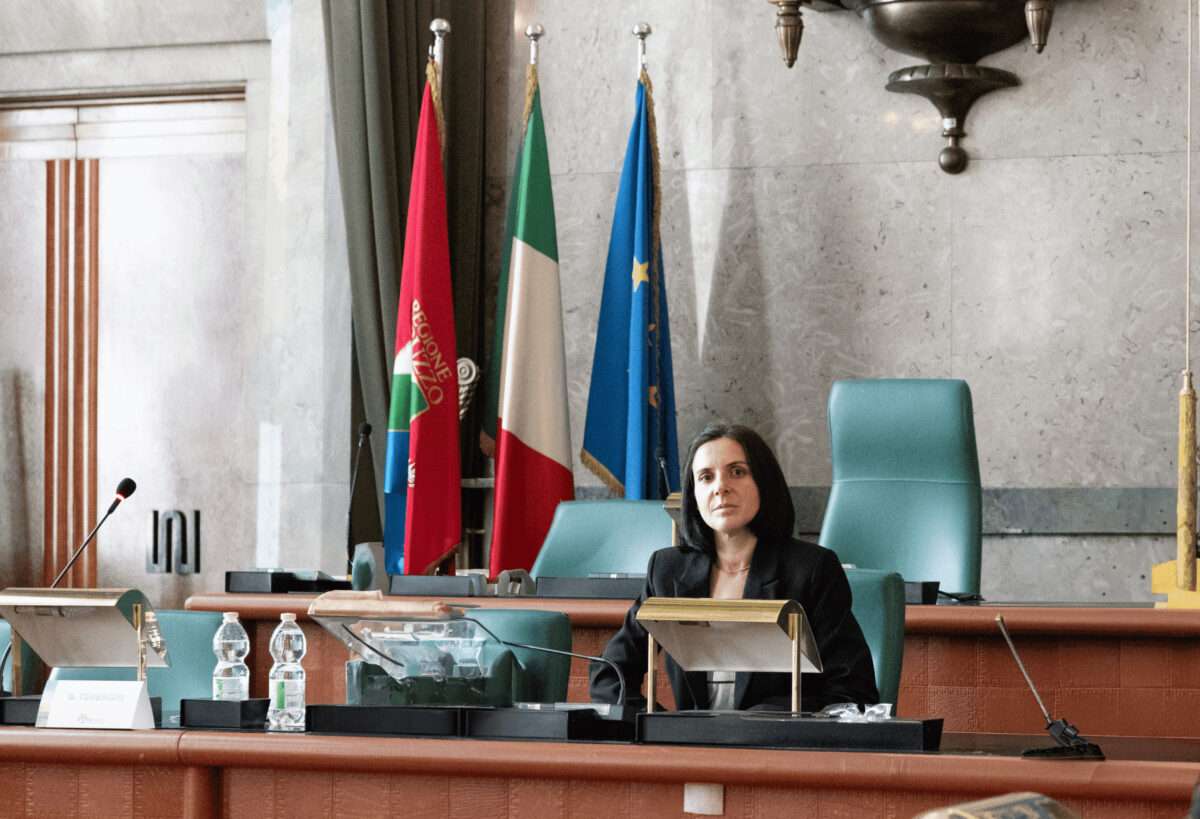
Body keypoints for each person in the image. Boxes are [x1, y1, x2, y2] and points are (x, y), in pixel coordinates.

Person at [589, 422, 879, 711]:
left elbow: (853, 691)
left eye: (737, 472)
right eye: (706, 477)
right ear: (694, 496)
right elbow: (609, 673)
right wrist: (658, 725)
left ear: (764, 483)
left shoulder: (812, 569)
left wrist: (766, 722)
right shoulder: (667, 569)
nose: (721, 487)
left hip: (777, 738)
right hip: (691, 741)